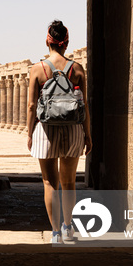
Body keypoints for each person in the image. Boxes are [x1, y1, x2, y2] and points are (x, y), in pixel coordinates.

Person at [27, 20, 92, 243]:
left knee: (49, 182)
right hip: (73, 129)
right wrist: (88, 134)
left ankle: (55, 233)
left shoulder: (38, 69)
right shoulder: (78, 69)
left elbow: (31, 106)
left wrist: (29, 133)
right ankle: (68, 227)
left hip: (46, 130)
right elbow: (85, 106)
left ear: (48, 40)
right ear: (67, 43)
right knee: (69, 181)